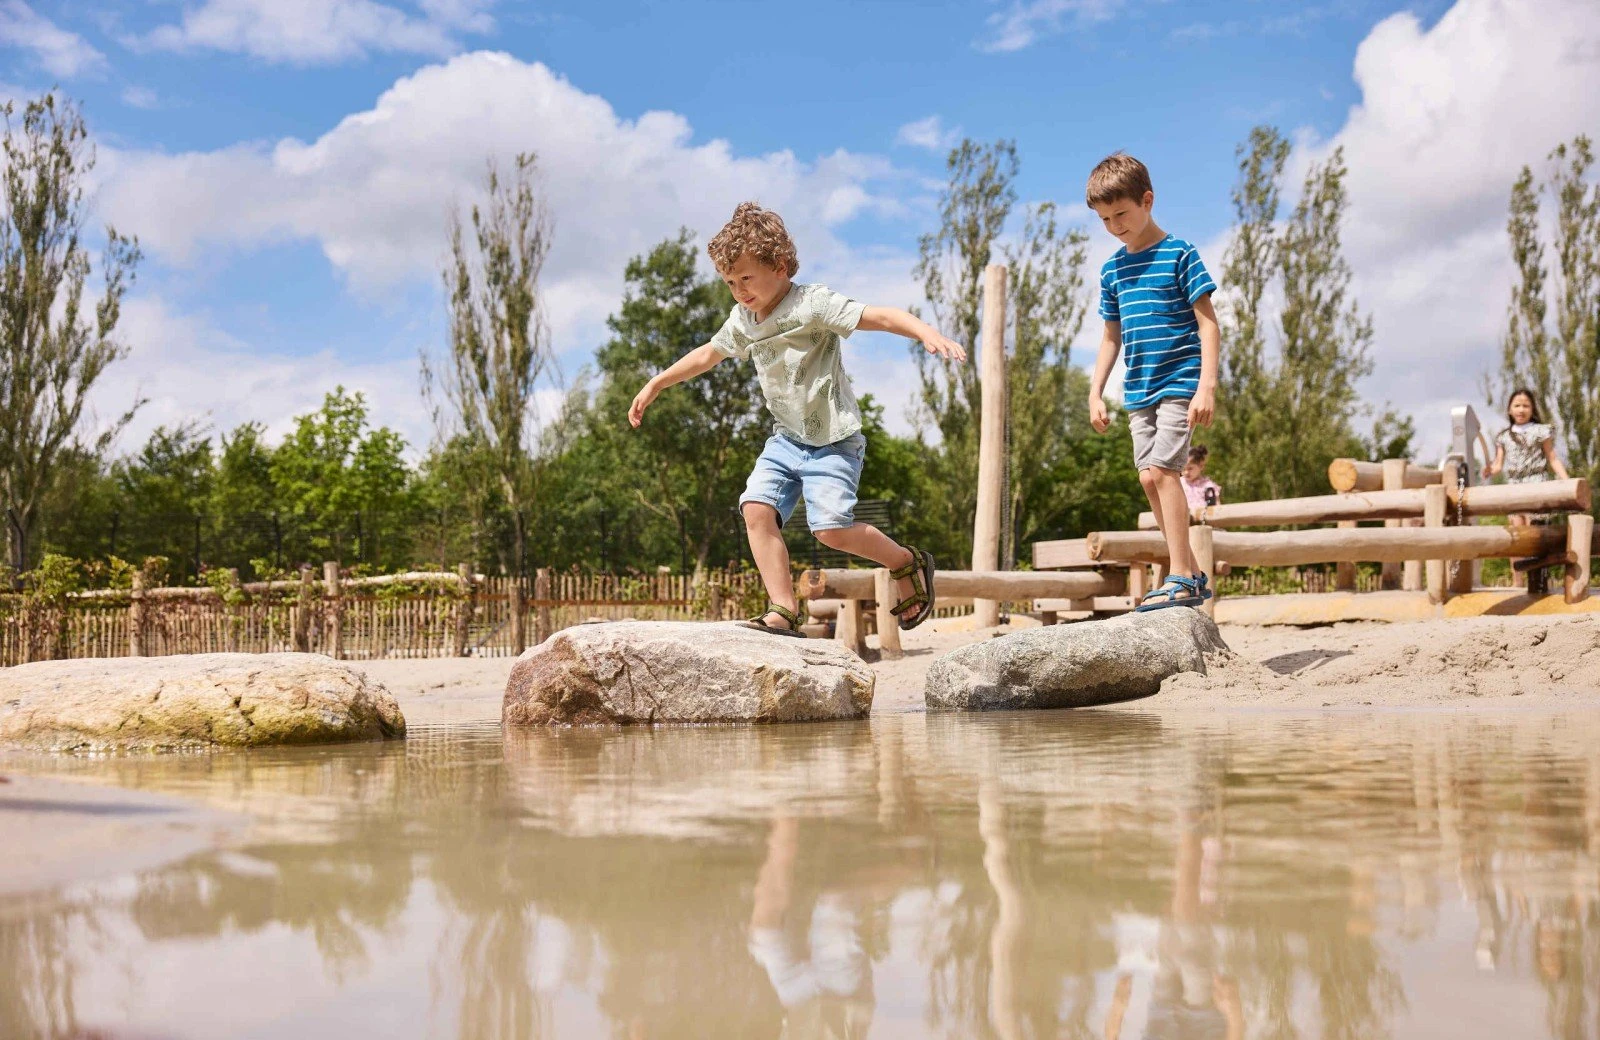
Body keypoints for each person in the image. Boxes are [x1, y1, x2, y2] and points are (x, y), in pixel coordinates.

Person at [629, 202, 965, 635]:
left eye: (746, 278)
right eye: (730, 282)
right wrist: (657, 382)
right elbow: (707, 354)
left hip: (833, 442)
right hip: (786, 440)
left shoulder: (812, 304)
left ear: (781, 266)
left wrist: (926, 332)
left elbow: (877, 315)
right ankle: (783, 608)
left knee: (830, 531)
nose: (738, 290)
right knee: (755, 508)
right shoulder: (744, 319)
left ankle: (906, 561)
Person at [1085, 154, 1221, 611]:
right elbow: (1110, 337)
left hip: (1180, 381)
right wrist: (1095, 390)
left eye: (1121, 214)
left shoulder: (1180, 253)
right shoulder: (1111, 271)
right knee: (1148, 477)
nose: (1114, 226)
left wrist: (1207, 386)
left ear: (1147, 200)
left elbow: (1208, 325)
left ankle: (1180, 573)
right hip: (1137, 389)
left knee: (1165, 471)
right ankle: (1191, 572)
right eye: (1104, 219)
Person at [1481, 387, 1569, 527]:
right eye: (1517, 405)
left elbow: (1552, 458)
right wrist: (1489, 470)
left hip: (1536, 483)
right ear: (1510, 410)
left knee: (1534, 526)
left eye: (1525, 406)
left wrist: (1566, 481)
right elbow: (1498, 465)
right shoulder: (1504, 437)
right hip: (1514, 486)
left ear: (1532, 409)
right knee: (1517, 529)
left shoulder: (1540, 431)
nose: (1521, 410)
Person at [1180, 446, 1221, 513]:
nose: (1186, 472)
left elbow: (1217, 506)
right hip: (1183, 519)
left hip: (1203, 520)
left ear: (1201, 466)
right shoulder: (1178, 483)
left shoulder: (1208, 486)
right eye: (1183, 468)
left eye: (1190, 468)